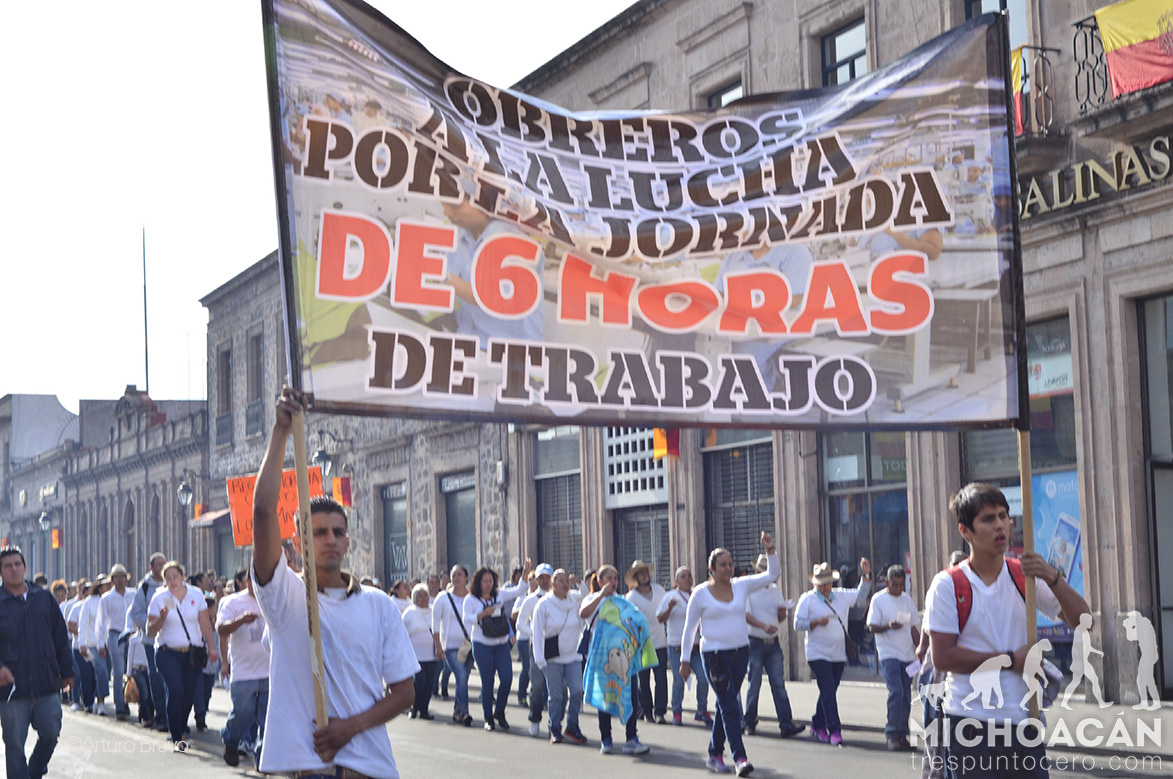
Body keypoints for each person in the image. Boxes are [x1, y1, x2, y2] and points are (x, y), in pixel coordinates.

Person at [252, 388, 418, 777]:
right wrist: (280, 432)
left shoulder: (377, 604)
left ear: (347, 540)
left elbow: (404, 692)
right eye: (319, 531)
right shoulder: (285, 598)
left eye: (337, 532)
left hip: (368, 766)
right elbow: (263, 511)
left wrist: (350, 728)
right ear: (298, 542)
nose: (330, 539)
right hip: (309, 766)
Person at [926, 483, 1089, 778]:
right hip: (970, 721)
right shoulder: (948, 585)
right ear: (966, 531)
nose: (1000, 525)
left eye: (1004, 516)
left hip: (1024, 720)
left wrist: (1052, 576)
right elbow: (944, 657)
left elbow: (1081, 619)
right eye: (988, 519)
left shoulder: (1023, 576)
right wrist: (1011, 660)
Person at [680, 532, 778, 776]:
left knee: (725, 705)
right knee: (731, 707)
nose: (728, 568)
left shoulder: (742, 585)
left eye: (730, 564)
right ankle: (740, 758)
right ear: (711, 569)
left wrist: (770, 549)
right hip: (714, 657)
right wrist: (684, 661)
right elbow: (689, 629)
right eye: (722, 564)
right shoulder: (700, 594)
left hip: (740, 653)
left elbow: (772, 574)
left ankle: (714, 754)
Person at [0, 547, 73, 779]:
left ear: (25, 567)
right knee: (14, 748)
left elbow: (60, 636)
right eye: (7, 566)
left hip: (46, 682)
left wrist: (67, 670)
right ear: (0, 572)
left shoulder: (43, 598)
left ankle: (34, 771)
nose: (13, 570)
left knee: (51, 733)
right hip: (12, 690)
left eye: (17, 564)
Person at [793, 557, 872, 746]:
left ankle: (817, 722)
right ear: (815, 584)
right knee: (828, 690)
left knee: (829, 690)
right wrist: (815, 623)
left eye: (827, 583)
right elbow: (797, 624)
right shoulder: (808, 599)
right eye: (821, 584)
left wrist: (866, 575)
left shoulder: (841, 595)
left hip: (837, 653)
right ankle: (834, 729)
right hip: (817, 652)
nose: (825, 587)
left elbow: (861, 597)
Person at [580, 564, 650, 756]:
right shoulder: (593, 599)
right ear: (600, 581)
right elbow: (583, 614)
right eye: (608, 578)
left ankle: (631, 738)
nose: (613, 582)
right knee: (606, 698)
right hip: (603, 659)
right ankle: (606, 739)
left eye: (615, 578)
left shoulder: (622, 601)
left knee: (630, 698)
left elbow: (634, 623)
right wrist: (601, 595)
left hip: (625, 660)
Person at [148, 561, 219, 748]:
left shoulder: (196, 594)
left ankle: (180, 726)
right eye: (168, 578)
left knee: (188, 694)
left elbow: (204, 623)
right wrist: (161, 619)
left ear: (182, 576)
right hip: (167, 651)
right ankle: (176, 734)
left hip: (192, 652)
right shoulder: (159, 597)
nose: (172, 581)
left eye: (175, 577)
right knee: (176, 690)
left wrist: (212, 648)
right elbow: (149, 631)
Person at [463, 560, 532, 731]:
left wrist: (525, 573)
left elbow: (519, 590)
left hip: (501, 643)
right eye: (485, 581)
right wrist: (482, 614)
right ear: (478, 582)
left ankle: (499, 711)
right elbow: (466, 618)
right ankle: (488, 717)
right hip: (481, 643)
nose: (488, 584)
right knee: (488, 681)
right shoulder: (470, 599)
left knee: (507, 678)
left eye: (491, 581)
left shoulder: (499, 594)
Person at [743, 554, 803, 739]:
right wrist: (763, 626)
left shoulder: (776, 589)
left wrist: (782, 613)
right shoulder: (749, 590)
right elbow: (746, 615)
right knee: (754, 684)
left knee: (779, 684)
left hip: (773, 642)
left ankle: (786, 723)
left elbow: (779, 617)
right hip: (755, 641)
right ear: (757, 572)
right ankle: (749, 722)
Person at [216, 569, 270, 769]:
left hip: (269, 669)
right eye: (254, 580)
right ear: (246, 581)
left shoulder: (272, 599)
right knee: (243, 713)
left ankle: (262, 759)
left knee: (267, 719)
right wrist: (241, 620)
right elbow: (221, 630)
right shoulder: (232, 602)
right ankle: (230, 739)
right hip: (243, 670)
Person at [532, 569, 588, 745]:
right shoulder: (543, 604)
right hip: (553, 658)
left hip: (573, 655)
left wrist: (579, 583)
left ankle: (572, 725)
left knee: (577, 691)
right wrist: (539, 658)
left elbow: (587, 597)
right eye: (561, 581)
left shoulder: (573, 601)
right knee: (555, 696)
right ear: (553, 584)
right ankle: (554, 728)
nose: (565, 584)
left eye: (567, 581)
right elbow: (537, 633)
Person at [866, 564, 919, 750]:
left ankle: (902, 733)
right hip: (888, 653)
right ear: (887, 582)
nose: (898, 589)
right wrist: (888, 625)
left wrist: (921, 648)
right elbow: (872, 627)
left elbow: (913, 627)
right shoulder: (878, 600)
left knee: (905, 696)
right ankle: (891, 734)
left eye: (901, 585)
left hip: (906, 654)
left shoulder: (907, 600)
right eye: (894, 585)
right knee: (896, 692)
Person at [657, 566, 712, 727]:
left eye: (689, 576)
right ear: (676, 581)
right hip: (677, 648)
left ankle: (701, 710)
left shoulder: (697, 594)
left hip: (696, 647)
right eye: (683, 576)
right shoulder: (670, 596)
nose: (687, 579)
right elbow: (660, 618)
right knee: (679, 681)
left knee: (703, 678)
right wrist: (670, 607)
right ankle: (677, 712)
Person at [624, 560, 668, 725]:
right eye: (640, 573)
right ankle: (647, 711)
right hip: (641, 646)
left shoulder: (660, 591)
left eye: (646, 572)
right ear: (635, 577)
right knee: (643, 680)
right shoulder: (631, 597)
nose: (644, 575)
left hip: (659, 642)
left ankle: (660, 711)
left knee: (661, 678)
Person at [129, 552, 169, 732]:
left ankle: (174, 715)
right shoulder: (144, 588)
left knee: (172, 679)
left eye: (164, 564)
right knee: (157, 678)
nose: (161, 568)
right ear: (151, 568)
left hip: (171, 639)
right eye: (158, 565)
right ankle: (161, 716)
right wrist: (152, 623)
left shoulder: (172, 585)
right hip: (151, 641)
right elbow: (135, 613)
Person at [432, 565, 473, 725]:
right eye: (454, 575)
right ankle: (465, 712)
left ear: (466, 578)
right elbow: (435, 624)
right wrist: (438, 645)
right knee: (461, 676)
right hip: (450, 647)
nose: (456, 578)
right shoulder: (443, 598)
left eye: (460, 575)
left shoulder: (472, 598)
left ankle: (457, 711)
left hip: (468, 647)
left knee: (463, 680)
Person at [514, 564, 553, 734]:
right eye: (541, 578)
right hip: (536, 646)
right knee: (537, 685)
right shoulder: (531, 600)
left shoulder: (559, 597)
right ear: (536, 580)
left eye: (547, 577)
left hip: (556, 647)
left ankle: (555, 722)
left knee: (557, 687)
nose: (544, 581)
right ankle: (535, 718)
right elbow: (520, 624)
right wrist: (535, 633)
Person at [99, 564, 134, 720]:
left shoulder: (133, 594)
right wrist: (101, 643)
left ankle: (130, 700)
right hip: (114, 634)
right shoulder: (106, 598)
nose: (120, 580)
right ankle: (119, 706)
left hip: (131, 634)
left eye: (122, 577)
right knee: (119, 671)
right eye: (116, 577)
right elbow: (101, 623)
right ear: (112, 580)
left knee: (133, 671)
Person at [78, 574, 112, 716]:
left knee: (104, 674)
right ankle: (101, 702)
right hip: (92, 643)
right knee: (101, 671)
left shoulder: (110, 600)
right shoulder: (89, 602)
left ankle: (98, 700)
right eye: (106, 585)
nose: (108, 587)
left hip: (107, 642)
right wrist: (81, 643)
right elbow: (83, 623)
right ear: (99, 587)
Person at [402, 584, 437, 720]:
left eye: (425, 595)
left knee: (429, 684)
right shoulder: (409, 612)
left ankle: (424, 710)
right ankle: (414, 707)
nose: (423, 599)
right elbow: (401, 633)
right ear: (414, 598)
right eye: (420, 596)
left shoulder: (433, 611)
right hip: (415, 655)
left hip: (431, 655)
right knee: (419, 682)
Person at [511, 568, 541, 710]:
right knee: (527, 667)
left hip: (539, 639)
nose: (534, 587)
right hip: (524, 638)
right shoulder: (523, 598)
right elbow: (513, 615)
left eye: (536, 584)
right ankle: (521, 695)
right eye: (532, 584)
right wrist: (524, 607)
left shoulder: (542, 597)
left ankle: (541, 697)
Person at [66, 579, 91, 713]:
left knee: (88, 675)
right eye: (86, 593)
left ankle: (88, 702)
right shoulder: (77, 607)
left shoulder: (96, 606)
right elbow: (70, 626)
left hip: (92, 646)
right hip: (77, 647)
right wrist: (83, 633)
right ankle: (75, 700)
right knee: (77, 674)